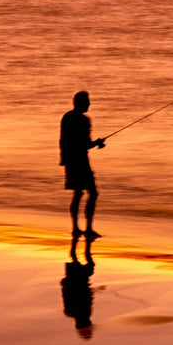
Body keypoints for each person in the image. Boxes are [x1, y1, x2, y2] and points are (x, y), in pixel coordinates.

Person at [59, 90, 104, 239]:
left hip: (71, 161)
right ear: (82, 103)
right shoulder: (84, 121)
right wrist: (96, 143)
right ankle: (87, 228)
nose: (90, 104)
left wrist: (64, 159)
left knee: (78, 193)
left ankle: (76, 228)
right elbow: (83, 144)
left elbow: (64, 141)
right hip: (80, 161)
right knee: (92, 193)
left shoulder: (67, 117)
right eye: (87, 102)